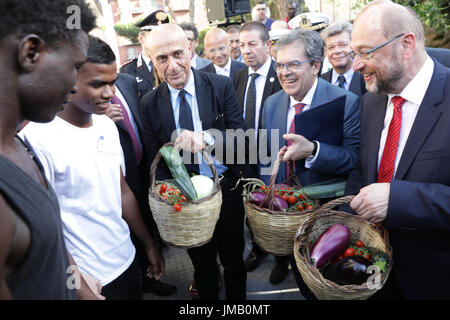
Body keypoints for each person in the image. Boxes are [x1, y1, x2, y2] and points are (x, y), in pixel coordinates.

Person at [20, 36, 165, 300]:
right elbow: (44, 229)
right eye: (98, 84)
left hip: (127, 262)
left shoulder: (107, 126)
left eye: (113, 82)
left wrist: (148, 246)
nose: (110, 94)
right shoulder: (36, 140)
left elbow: (122, 193)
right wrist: (79, 286)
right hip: (90, 280)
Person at [140, 23, 257, 300]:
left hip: (226, 190)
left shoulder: (220, 85)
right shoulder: (149, 103)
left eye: (178, 54)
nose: (172, 66)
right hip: (186, 202)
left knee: (233, 263)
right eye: (162, 58)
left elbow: (242, 141)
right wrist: (171, 197)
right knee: (202, 268)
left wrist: (207, 138)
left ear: (191, 48)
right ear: (152, 59)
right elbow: (152, 159)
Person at [343, 0, 450, 299]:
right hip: (375, 274)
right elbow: (362, 172)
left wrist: (399, 199)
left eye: (366, 51)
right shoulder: (372, 99)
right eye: (354, 53)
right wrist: (340, 224)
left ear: (406, 45)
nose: (356, 64)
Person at [0, 0, 97, 300]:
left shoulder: (18, 144)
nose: (74, 85)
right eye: (76, 67)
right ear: (31, 53)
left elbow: (48, 242)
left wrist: (77, 285)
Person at [264, 29, 360, 300]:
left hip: (328, 219)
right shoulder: (272, 104)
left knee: (329, 284)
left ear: (316, 66)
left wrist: (314, 151)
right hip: (289, 219)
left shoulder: (346, 103)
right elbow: (268, 156)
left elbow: (353, 159)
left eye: (294, 64)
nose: (285, 72)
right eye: (280, 65)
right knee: (304, 282)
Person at [105, 71, 177, 297]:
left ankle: (151, 269)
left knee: (146, 216)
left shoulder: (126, 80)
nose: (110, 91)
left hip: (145, 164)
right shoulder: (92, 115)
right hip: (121, 175)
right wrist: (100, 118)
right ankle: (145, 277)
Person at [232, 21, 287, 285]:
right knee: (252, 207)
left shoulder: (283, 76)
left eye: (252, 44)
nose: (246, 50)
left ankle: (281, 258)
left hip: (274, 155)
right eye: (242, 45)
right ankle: (257, 247)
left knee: (276, 208)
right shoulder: (239, 76)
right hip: (246, 155)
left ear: (268, 45)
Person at [120, 10, 170, 98]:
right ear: (141, 38)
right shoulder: (127, 70)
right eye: (154, 36)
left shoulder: (172, 65)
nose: (160, 40)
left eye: (163, 36)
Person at [320, 21, 367, 97]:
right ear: (326, 51)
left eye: (342, 45)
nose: (337, 51)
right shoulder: (320, 82)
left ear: (353, 46)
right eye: (331, 47)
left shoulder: (366, 78)